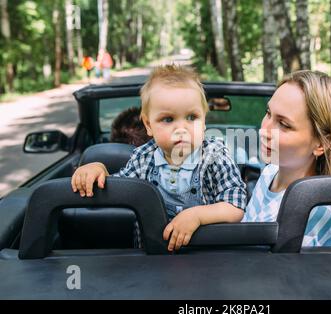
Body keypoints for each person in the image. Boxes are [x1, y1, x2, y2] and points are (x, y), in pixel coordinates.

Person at [71, 64, 247, 251]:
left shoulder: (215, 155)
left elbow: (235, 205)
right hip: (152, 255)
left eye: (191, 117)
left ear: (204, 121)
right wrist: (98, 168)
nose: (182, 128)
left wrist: (197, 216)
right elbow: (118, 187)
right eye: (168, 119)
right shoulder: (143, 158)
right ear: (148, 125)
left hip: (209, 255)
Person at [242, 70, 331, 247]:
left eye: (283, 124)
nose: (264, 130)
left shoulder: (316, 211)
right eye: (268, 113)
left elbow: (283, 273)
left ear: (322, 144)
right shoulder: (270, 172)